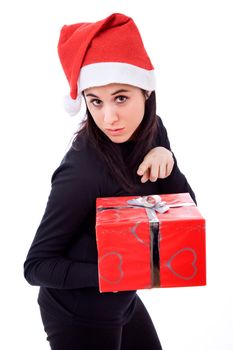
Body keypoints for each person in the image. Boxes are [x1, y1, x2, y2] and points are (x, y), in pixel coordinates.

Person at [24, 13, 196, 350]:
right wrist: (118, 272)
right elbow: (36, 267)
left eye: (121, 98)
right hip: (77, 313)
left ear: (146, 92)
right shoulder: (82, 172)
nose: (109, 118)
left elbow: (185, 217)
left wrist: (166, 157)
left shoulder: (152, 130)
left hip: (122, 299)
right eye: (95, 101)